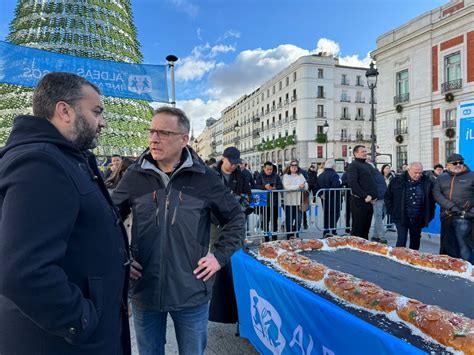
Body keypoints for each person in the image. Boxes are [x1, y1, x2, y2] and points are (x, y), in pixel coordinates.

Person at [0, 72, 131, 354]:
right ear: (64, 111)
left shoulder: (61, 158)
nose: (103, 122)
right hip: (66, 343)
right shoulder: (42, 163)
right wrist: (81, 319)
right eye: (96, 112)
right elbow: (24, 271)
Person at [112, 106, 245, 355]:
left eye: (163, 132)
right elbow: (107, 219)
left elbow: (236, 217)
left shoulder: (204, 177)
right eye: (152, 131)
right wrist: (121, 257)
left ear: (184, 139)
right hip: (144, 290)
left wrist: (218, 256)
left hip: (191, 290)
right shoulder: (135, 174)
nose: (153, 138)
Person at [209, 146, 251, 325]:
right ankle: (217, 297)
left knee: (236, 254)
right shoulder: (211, 175)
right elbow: (207, 199)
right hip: (216, 222)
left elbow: (248, 197)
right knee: (217, 255)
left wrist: (241, 202)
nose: (234, 166)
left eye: (236, 163)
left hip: (236, 221)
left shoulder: (241, 175)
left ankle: (236, 292)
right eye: (231, 163)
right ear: (223, 159)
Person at [433, 154, 474, 263]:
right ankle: (451, 269)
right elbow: (437, 194)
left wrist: (470, 209)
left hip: (464, 217)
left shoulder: (471, 175)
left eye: (461, 162)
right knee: (448, 245)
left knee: (464, 246)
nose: (458, 165)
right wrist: (452, 206)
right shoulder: (442, 177)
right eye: (455, 163)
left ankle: (468, 270)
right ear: (448, 165)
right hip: (446, 216)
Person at [385, 162, 435, 250]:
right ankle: (399, 259)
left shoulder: (427, 182)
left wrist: (429, 215)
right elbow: (388, 197)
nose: (418, 175)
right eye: (415, 172)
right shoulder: (397, 181)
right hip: (401, 216)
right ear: (408, 170)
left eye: (420, 173)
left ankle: (413, 261)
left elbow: (431, 201)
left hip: (417, 217)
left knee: (415, 240)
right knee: (401, 239)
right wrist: (392, 211)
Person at [346, 145, 378, 239]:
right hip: (358, 201)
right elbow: (352, 183)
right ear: (355, 153)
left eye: (365, 151)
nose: (365, 153)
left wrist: (374, 196)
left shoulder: (368, 166)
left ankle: (364, 248)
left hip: (369, 201)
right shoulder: (353, 166)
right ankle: (355, 250)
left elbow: (373, 182)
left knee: (366, 228)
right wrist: (364, 196)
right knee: (358, 228)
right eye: (362, 151)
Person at [255, 161, 283, 241]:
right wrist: (264, 187)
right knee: (265, 221)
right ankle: (266, 238)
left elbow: (280, 186)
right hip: (264, 202)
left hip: (274, 201)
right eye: (268, 169)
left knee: (274, 220)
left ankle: (274, 238)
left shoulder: (276, 176)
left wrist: (275, 188)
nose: (270, 171)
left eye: (271, 169)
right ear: (264, 168)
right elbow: (256, 186)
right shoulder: (260, 175)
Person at [282, 160, 308, 239]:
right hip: (289, 201)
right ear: (289, 166)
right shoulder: (286, 176)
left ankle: (296, 233)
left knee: (299, 219)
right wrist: (298, 186)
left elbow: (306, 185)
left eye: (295, 165)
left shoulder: (300, 175)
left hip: (299, 201)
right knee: (289, 219)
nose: (294, 167)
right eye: (292, 165)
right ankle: (289, 235)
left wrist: (304, 185)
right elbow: (287, 187)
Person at [316, 159, 342, 237]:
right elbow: (335, 186)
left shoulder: (321, 175)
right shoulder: (334, 175)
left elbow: (316, 186)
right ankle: (332, 232)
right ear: (333, 166)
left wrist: (321, 194)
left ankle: (326, 232)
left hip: (324, 200)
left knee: (327, 216)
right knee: (335, 215)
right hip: (334, 199)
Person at [372, 166, 388, 243]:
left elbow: (371, 185)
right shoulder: (378, 173)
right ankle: (375, 235)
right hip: (385, 197)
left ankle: (382, 237)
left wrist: (373, 197)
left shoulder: (371, 174)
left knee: (378, 218)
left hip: (378, 197)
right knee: (380, 217)